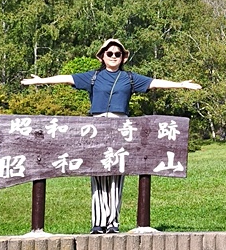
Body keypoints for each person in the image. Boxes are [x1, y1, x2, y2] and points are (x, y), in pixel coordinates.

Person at [21, 38, 201, 234]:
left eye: (117, 54)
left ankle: (113, 223)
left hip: (120, 128)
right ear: (102, 57)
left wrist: (181, 84)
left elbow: (154, 83)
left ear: (123, 57)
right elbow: (67, 78)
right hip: (97, 128)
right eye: (110, 54)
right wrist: (41, 81)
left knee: (116, 176)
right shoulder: (93, 77)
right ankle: (98, 223)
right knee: (97, 176)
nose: (114, 57)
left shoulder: (130, 78)